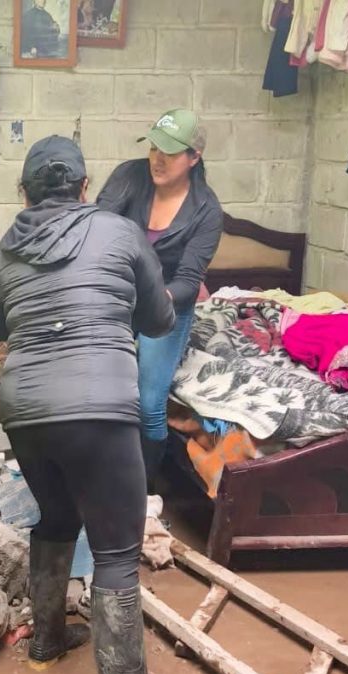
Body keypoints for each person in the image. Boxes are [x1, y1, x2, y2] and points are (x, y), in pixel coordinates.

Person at [0, 135, 199, 674]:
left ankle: (48, 639)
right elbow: (158, 319)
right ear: (82, 187)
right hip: (98, 410)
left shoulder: (3, 250)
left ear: (24, 193)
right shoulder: (121, 233)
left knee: (55, 517)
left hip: (24, 410)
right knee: (117, 552)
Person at [96, 108, 224, 491]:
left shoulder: (207, 211)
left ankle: (141, 492)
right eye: (154, 147)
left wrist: (154, 299)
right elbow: (97, 227)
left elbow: (188, 280)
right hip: (114, 295)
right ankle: (95, 479)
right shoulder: (128, 176)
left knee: (149, 404)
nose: (157, 158)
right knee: (98, 391)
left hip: (166, 305)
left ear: (194, 157)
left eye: (170, 151)